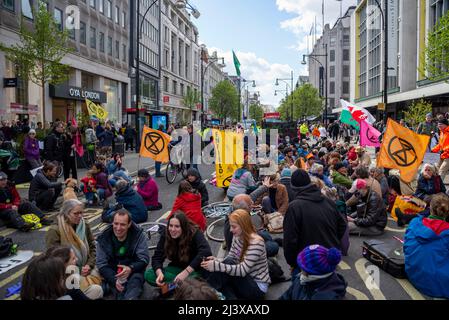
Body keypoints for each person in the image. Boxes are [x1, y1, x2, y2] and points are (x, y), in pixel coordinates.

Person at [283, 169, 347, 276]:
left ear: (293, 188)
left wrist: (293, 263)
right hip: (328, 258)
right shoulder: (328, 201)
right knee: (331, 287)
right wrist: (332, 242)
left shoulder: (294, 207)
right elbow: (342, 225)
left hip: (307, 261)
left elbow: (290, 240)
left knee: (301, 290)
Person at [201, 209, 271, 300]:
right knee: (222, 279)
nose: (230, 230)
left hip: (256, 287)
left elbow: (242, 270)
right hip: (244, 280)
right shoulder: (237, 236)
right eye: (230, 226)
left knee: (222, 272)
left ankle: (207, 290)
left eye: (233, 227)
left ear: (243, 226)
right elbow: (232, 256)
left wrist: (217, 265)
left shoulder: (256, 243)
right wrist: (217, 260)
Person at [45, 199, 103, 299]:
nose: (80, 216)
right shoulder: (55, 231)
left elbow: (93, 247)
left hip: (87, 267)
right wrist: (74, 269)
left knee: (102, 279)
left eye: (81, 213)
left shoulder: (84, 225)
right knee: (95, 290)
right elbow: (54, 261)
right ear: (66, 213)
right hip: (67, 273)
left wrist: (89, 265)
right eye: (76, 213)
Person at [145, 212, 212, 287]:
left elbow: (206, 251)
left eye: (177, 226)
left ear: (183, 227)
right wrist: (159, 273)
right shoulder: (166, 233)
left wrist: (185, 273)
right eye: (170, 226)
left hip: (193, 271)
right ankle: (180, 286)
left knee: (194, 278)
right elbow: (157, 257)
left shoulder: (194, 232)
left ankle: (172, 287)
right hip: (175, 269)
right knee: (149, 274)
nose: (173, 229)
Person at [96, 209, 149, 300]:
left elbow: (144, 259)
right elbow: (101, 264)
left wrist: (130, 268)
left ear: (129, 224)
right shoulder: (103, 237)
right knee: (120, 292)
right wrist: (114, 279)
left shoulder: (138, 235)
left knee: (134, 288)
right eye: (116, 223)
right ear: (112, 222)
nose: (118, 228)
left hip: (134, 271)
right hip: (114, 273)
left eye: (123, 224)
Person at [404, 193, 449, 299]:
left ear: (429, 208)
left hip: (413, 272)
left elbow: (406, 246)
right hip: (438, 284)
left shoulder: (415, 222)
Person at [280, 245, 347, 300]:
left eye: (302, 267)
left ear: (310, 272)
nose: (300, 269)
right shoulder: (300, 279)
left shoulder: (325, 297)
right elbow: (287, 296)